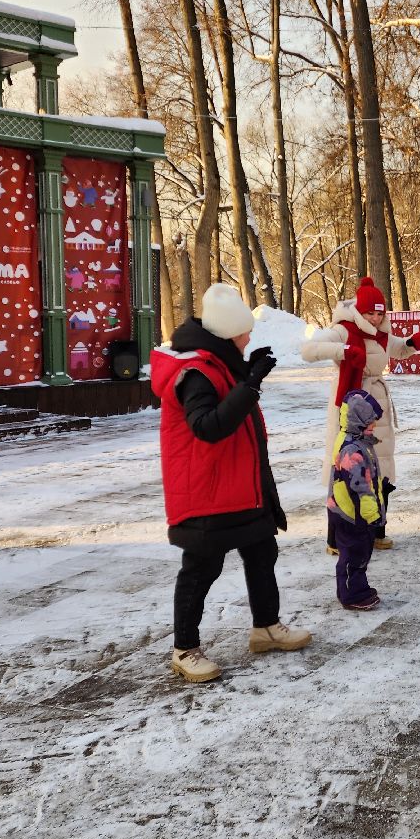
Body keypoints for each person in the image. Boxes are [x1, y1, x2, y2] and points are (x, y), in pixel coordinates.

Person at [151, 283, 312, 683]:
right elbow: (208, 427)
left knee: (262, 552)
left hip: (241, 486)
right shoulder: (194, 372)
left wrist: (246, 373)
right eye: (245, 332)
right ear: (226, 334)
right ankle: (185, 648)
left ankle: (266, 627)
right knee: (201, 568)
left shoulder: (220, 363)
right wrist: (251, 383)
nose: (250, 336)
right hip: (206, 491)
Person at [301, 277, 420, 551]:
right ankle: (336, 538)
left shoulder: (380, 334)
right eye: (370, 312)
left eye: (380, 313)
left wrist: (414, 343)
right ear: (359, 310)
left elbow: (399, 348)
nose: (375, 317)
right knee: (346, 470)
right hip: (349, 404)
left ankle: (377, 531)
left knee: (380, 469)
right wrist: (344, 351)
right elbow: (308, 349)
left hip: (377, 406)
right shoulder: (343, 330)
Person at [328, 388, 386, 611]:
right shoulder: (353, 449)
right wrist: (372, 515)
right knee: (355, 556)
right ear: (358, 422)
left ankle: (355, 589)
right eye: (370, 422)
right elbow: (360, 487)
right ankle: (352, 594)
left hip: (349, 511)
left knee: (356, 555)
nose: (374, 426)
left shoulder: (357, 441)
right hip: (353, 514)